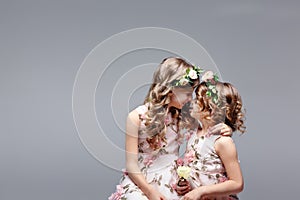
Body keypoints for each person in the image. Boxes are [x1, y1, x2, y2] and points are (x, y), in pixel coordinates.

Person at [109, 58, 232, 200]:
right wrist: (150, 192)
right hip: (141, 182)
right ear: (171, 89)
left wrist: (223, 128)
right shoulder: (136, 117)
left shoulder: (185, 115)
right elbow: (131, 164)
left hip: (173, 181)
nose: (189, 98)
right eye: (187, 94)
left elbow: (207, 128)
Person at [176, 78, 246, 200]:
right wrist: (186, 185)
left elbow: (237, 183)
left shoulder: (222, 141)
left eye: (197, 100)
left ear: (211, 108)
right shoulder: (195, 132)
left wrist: (202, 191)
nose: (192, 102)